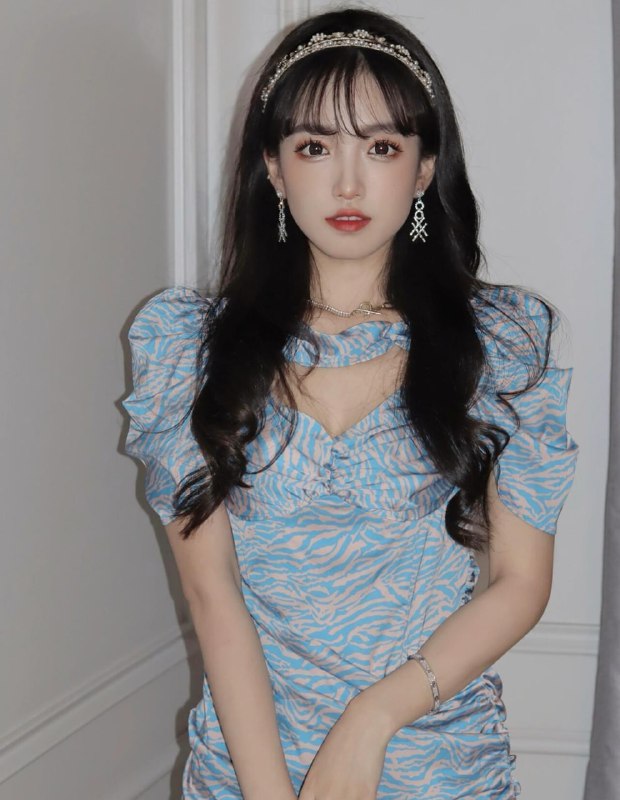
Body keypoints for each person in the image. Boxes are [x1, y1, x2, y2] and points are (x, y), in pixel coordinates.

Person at [121, 7, 579, 799]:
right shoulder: (189, 348)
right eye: (314, 146)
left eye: (381, 147)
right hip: (247, 766)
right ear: (272, 167)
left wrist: (371, 720)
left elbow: (520, 582)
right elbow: (212, 593)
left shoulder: (501, 344)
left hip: (436, 765)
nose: (347, 182)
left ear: (425, 168)